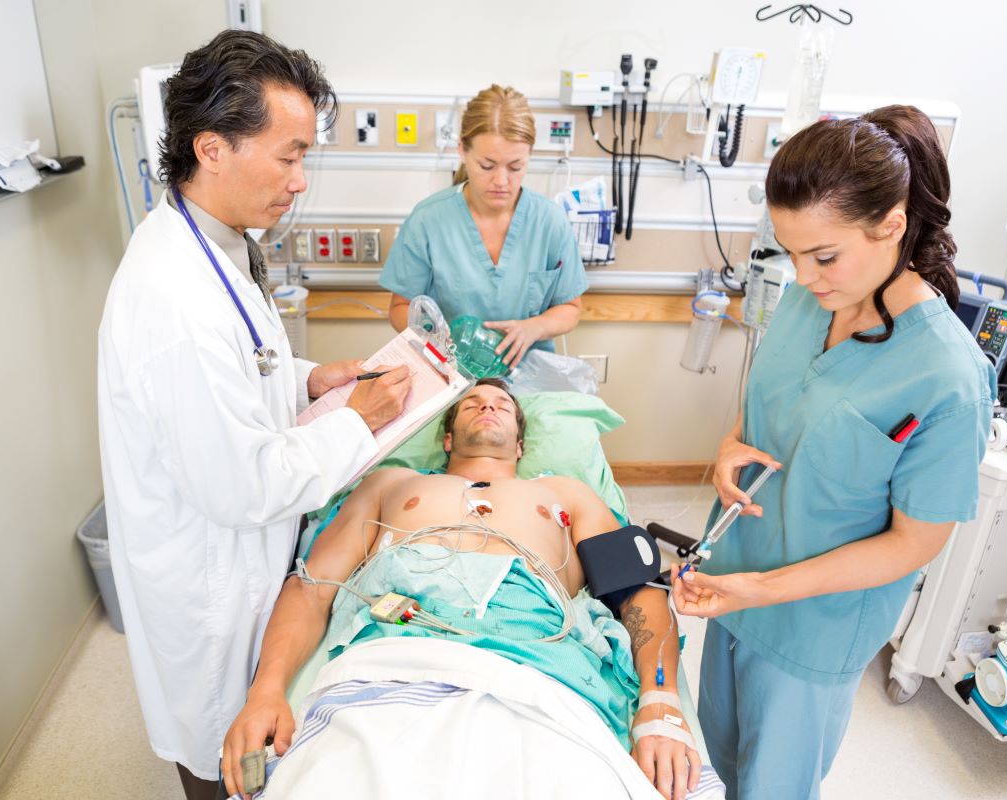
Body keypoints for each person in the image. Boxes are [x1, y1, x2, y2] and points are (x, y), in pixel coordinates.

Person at [97, 31, 412, 798]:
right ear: (212, 149)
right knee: (224, 761)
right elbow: (243, 486)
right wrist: (358, 419)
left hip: (248, 562)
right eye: (288, 155)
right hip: (212, 590)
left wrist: (311, 381)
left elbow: (245, 371)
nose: (300, 180)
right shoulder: (173, 301)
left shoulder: (217, 240)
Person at [669, 106, 996, 799]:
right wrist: (733, 445)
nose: (806, 274)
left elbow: (913, 544)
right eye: (791, 252)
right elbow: (773, 400)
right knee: (726, 761)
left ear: (892, 226)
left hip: (814, 625)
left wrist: (757, 590)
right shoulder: (806, 302)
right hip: (733, 584)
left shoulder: (946, 377)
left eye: (823, 255)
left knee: (774, 787)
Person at [222, 380, 703, 800]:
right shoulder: (389, 483)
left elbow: (638, 592)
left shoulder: (567, 492)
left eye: (502, 404)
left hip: (535, 664)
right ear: (448, 437)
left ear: (520, 443)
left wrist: (661, 703)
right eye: (471, 403)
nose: (487, 406)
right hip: (393, 657)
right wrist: (265, 691)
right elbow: (311, 588)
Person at [381, 85, 588, 369]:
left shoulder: (549, 222)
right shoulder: (429, 221)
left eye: (515, 167)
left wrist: (534, 328)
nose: (501, 181)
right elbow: (399, 308)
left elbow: (571, 308)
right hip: (449, 375)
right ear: (462, 151)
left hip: (528, 378)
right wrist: (440, 339)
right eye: (487, 165)